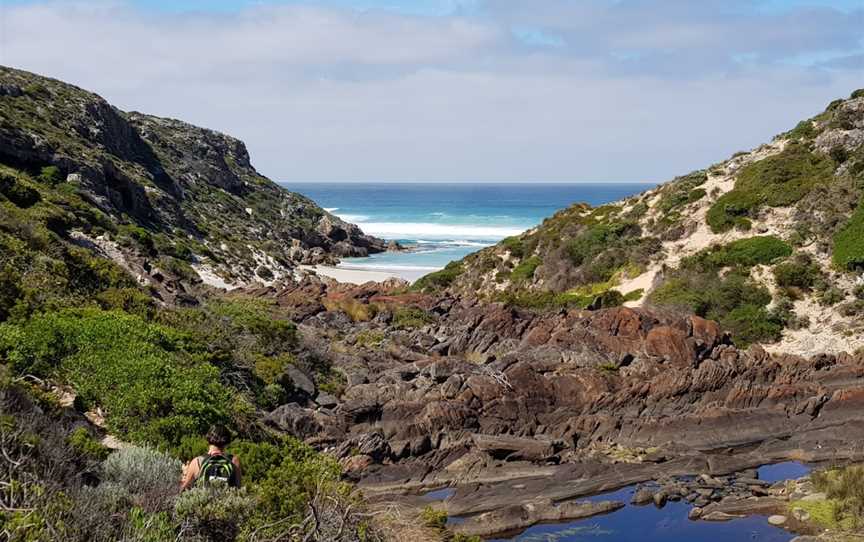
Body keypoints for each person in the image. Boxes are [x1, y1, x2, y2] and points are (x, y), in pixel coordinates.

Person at [180, 425, 242, 491]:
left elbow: (184, 489)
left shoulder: (197, 462)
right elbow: (238, 488)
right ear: (226, 442)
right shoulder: (234, 461)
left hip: (204, 500)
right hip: (226, 500)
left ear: (208, 438)